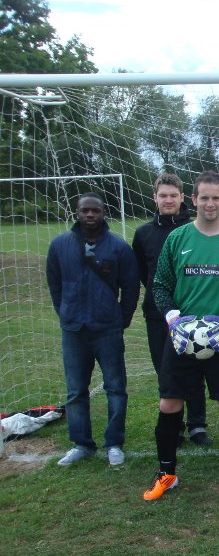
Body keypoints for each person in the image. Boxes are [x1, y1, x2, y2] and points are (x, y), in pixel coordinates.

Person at [143, 170, 219, 500]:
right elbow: (161, 285)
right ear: (193, 200)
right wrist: (173, 318)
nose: (210, 203)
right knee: (168, 403)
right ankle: (166, 473)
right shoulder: (177, 238)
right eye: (204, 197)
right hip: (181, 338)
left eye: (216, 197)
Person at [47, 193, 139, 467]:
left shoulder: (119, 247)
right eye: (85, 211)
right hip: (74, 330)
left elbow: (131, 288)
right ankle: (82, 443)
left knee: (115, 387)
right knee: (75, 390)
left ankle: (114, 443)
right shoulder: (60, 245)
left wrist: (121, 318)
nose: (90, 215)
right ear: (77, 213)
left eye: (95, 211)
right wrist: (65, 312)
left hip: (107, 329)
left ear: (103, 213)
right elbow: (55, 285)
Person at [133, 173, 211, 446]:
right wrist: (164, 301)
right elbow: (145, 273)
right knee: (166, 371)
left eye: (173, 195)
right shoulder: (143, 234)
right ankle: (174, 425)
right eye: (163, 195)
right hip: (158, 314)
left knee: (196, 366)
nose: (168, 200)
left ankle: (197, 425)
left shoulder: (196, 230)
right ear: (154, 198)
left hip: (193, 313)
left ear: (182, 198)